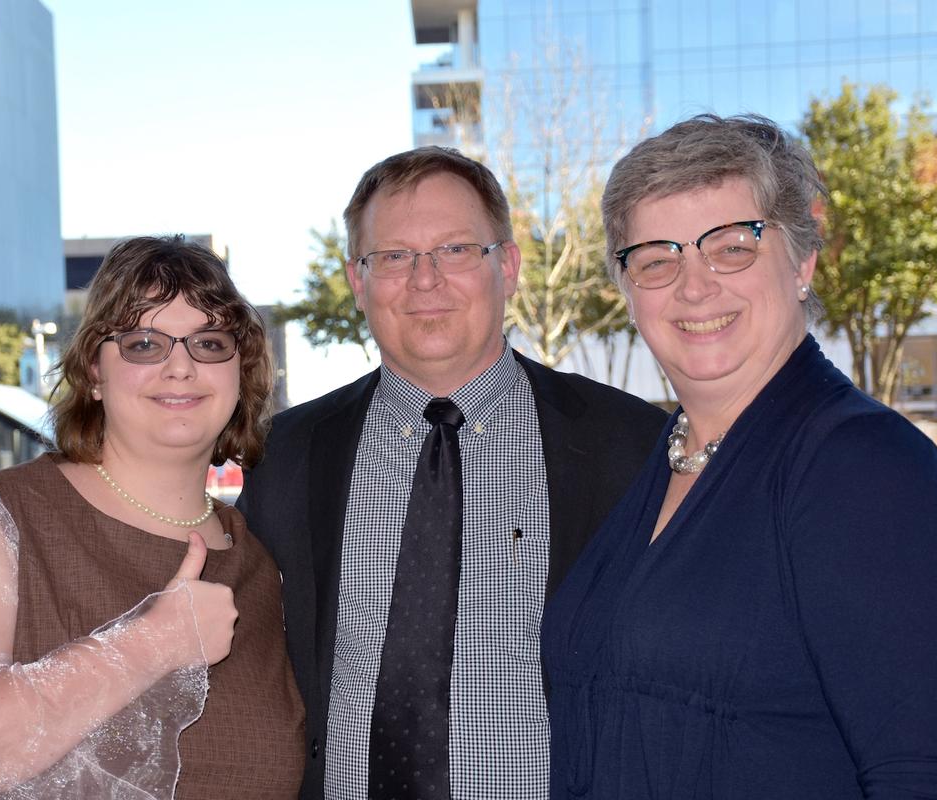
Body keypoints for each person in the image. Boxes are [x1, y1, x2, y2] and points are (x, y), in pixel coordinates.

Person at [541, 114, 937, 798]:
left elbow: (931, 772)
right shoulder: (657, 465)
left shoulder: (867, 469)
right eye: (656, 259)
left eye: (731, 247)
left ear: (801, 263)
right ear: (627, 291)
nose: (694, 286)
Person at [237, 146, 666, 799]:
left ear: (508, 266)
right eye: (393, 257)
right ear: (358, 280)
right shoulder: (285, 455)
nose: (425, 280)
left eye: (456, 250)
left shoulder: (629, 447)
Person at [0, 237, 305, 799]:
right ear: (94, 372)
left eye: (209, 343)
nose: (181, 367)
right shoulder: (0, 517)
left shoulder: (259, 563)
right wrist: (152, 643)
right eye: (144, 344)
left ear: (240, 370)